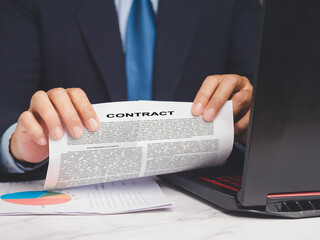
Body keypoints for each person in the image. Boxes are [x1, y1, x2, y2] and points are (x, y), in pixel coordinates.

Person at [0, 0, 261, 176]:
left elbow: (261, 99)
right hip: (76, 200)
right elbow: (7, 109)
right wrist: (19, 147)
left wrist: (255, 118)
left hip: (208, 198)